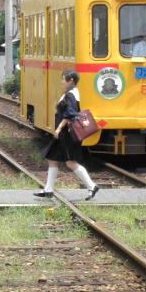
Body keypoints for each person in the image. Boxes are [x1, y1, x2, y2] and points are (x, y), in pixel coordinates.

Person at [34, 70, 99, 200]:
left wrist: (58, 128)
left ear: (71, 81)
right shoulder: (71, 93)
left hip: (66, 135)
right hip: (63, 135)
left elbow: (70, 114)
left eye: (64, 79)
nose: (61, 82)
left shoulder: (71, 95)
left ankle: (92, 186)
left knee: (70, 162)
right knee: (52, 158)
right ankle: (48, 189)